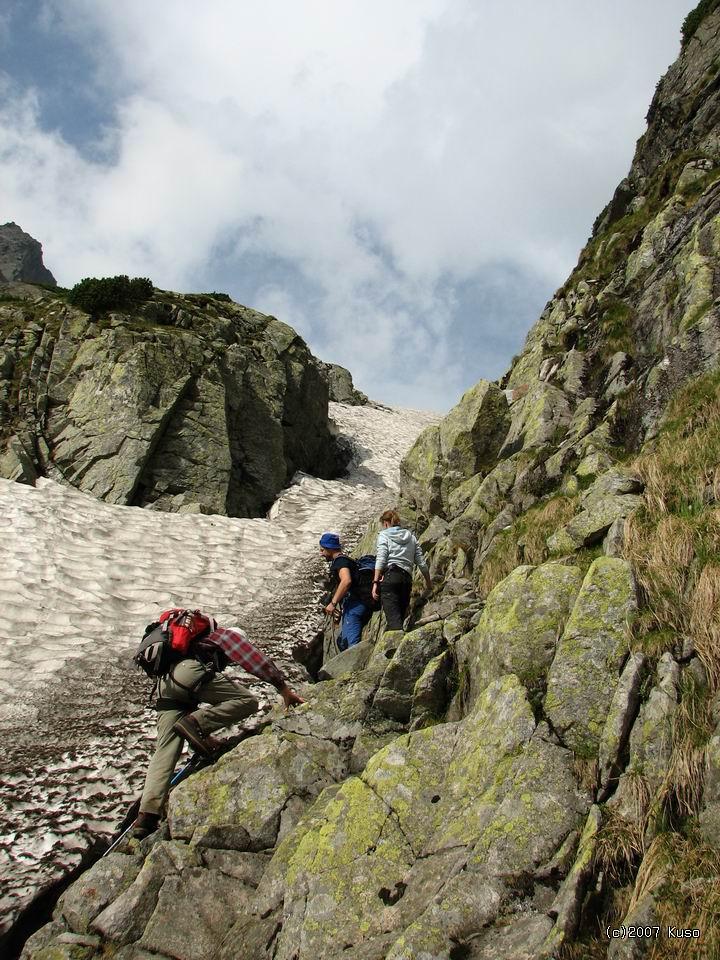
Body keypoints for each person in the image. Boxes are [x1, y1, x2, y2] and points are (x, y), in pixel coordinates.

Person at [132, 607, 304, 839]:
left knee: (164, 752)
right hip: (188, 674)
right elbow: (253, 659)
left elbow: (188, 711)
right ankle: (198, 727)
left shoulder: (185, 648)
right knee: (247, 701)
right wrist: (283, 689)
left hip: (165, 686)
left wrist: (201, 733)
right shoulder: (224, 636)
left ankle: (146, 817)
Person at [372, 510, 432, 630]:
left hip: (391, 577)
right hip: (406, 580)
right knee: (399, 617)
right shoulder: (412, 538)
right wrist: (429, 583)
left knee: (394, 622)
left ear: (385, 523)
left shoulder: (384, 535)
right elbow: (421, 563)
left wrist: (375, 583)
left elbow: (381, 559)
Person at [319, 532, 371, 651]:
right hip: (358, 601)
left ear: (329, 548)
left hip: (356, 605)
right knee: (342, 641)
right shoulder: (344, 560)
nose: (321, 553)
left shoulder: (340, 562)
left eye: (322, 550)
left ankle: (354, 668)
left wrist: (333, 603)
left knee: (352, 645)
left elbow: (346, 581)